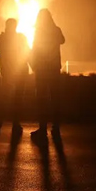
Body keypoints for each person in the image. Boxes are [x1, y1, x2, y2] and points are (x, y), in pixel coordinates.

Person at [29, 8, 65, 142]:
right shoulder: (56, 30)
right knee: (55, 97)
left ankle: (42, 129)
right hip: (54, 68)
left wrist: (33, 65)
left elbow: (34, 49)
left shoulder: (39, 32)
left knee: (41, 99)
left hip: (42, 70)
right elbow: (62, 40)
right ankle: (56, 127)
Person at [0, 18, 30, 136]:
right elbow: (27, 51)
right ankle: (15, 124)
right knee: (17, 99)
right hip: (20, 72)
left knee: (4, 98)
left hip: (8, 72)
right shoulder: (21, 38)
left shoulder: (1, 38)